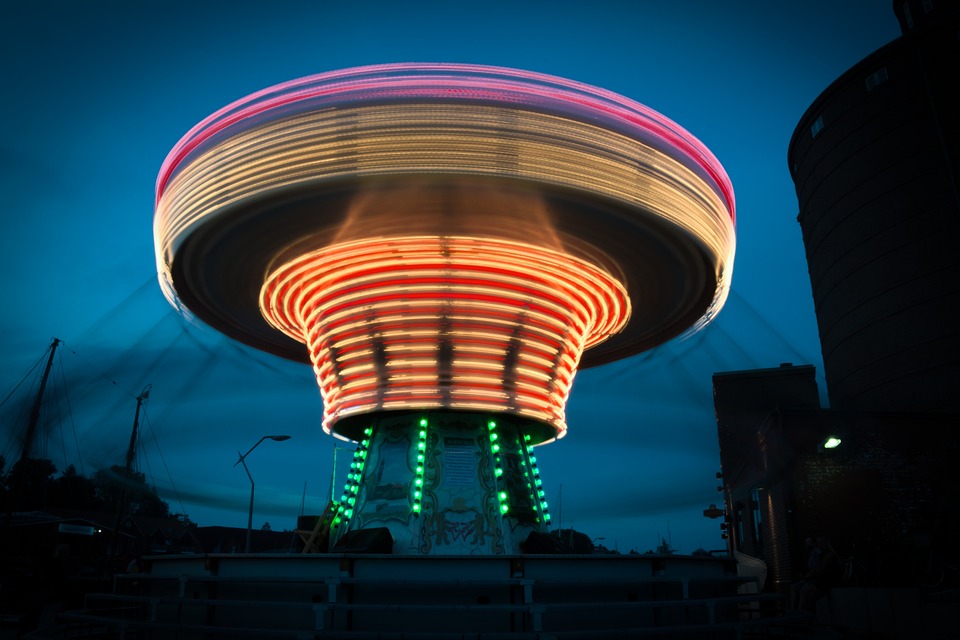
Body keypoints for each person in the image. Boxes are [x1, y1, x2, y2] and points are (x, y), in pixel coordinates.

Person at [798, 536, 841, 613]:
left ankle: (808, 617)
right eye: (818, 543)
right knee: (807, 595)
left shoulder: (828, 555)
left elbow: (821, 569)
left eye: (820, 543)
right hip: (822, 581)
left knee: (810, 598)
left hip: (826, 582)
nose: (819, 545)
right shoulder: (822, 555)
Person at [790, 536, 821, 609]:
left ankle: (801, 613)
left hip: (813, 580)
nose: (806, 544)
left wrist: (805, 577)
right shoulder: (811, 554)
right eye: (805, 542)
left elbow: (814, 570)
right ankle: (793, 610)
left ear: (813, 544)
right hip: (808, 579)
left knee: (802, 591)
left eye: (808, 542)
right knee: (793, 587)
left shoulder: (816, 554)